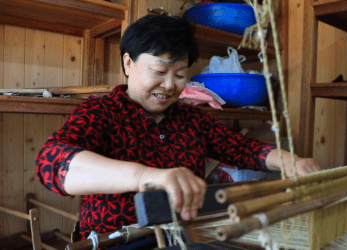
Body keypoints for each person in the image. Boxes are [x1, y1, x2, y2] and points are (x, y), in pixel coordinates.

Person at [35, 14, 321, 242]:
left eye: (180, 74)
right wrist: (148, 177)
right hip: (117, 240)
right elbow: (53, 162)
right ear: (128, 63)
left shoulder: (193, 120)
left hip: (184, 236)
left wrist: (291, 161)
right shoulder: (100, 112)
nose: (170, 85)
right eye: (159, 72)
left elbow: (243, 148)